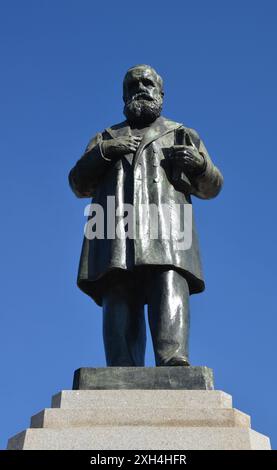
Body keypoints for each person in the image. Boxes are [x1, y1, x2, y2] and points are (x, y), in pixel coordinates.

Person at [69, 64, 223, 367]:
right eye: (133, 84)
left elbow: (213, 186)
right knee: (119, 292)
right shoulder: (105, 137)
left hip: (167, 229)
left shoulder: (181, 134)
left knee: (168, 283)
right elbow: (78, 183)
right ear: (124, 94)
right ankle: (121, 366)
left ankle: (173, 359)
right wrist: (106, 151)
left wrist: (200, 164)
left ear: (160, 93)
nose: (141, 88)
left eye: (148, 83)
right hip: (115, 227)